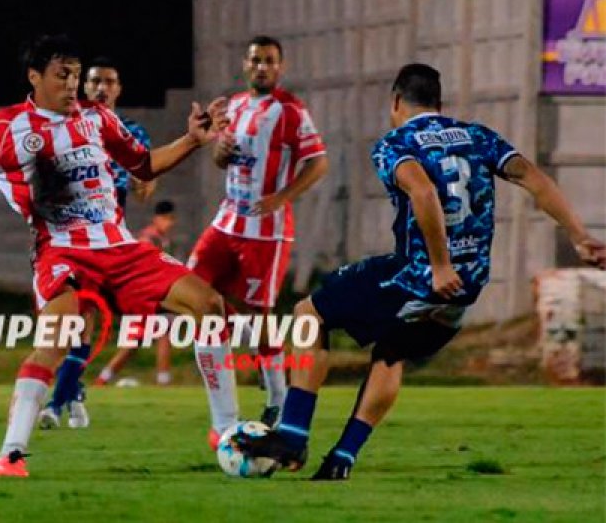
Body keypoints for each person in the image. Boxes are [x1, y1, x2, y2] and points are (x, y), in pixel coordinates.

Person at [239, 63, 606, 480]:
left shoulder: (396, 143)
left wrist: (438, 265)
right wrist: (579, 235)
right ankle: (341, 459)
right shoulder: (477, 135)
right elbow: (535, 178)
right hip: (466, 286)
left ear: (396, 101)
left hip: (419, 275)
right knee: (391, 353)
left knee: (309, 313)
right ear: (440, 103)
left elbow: (424, 191)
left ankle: (291, 437)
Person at [0, 34, 232, 477]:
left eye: (74, 74)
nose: (72, 84)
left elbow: (143, 165)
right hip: (62, 250)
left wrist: (191, 139)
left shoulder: (97, 119)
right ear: (34, 77)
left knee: (209, 304)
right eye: (61, 75)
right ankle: (10, 455)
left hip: (120, 246)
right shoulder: (3, 129)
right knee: (58, 338)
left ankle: (226, 429)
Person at [188, 35, 329, 431]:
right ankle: (225, 402)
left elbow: (318, 163)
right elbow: (219, 158)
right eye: (256, 60)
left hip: (266, 232)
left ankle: (278, 398)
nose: (262, 67)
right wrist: (219, 151)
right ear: (245, 65)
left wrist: (283, 196)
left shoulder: (290, 111)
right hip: (226, 220)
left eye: (269, 60)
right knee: (190, 288)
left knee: (261, 316)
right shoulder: (232, 106)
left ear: (280, 67)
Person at [38, 56, 156, 430]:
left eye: (109, 81)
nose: (101, 88)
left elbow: (146, 184)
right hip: (68, 241)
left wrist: (143, 180)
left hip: (111, 242)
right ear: (84, 87)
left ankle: (60, 402)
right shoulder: (65, 127)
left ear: (118, 89)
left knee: (85, 325)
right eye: (94, 82)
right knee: (73, 326)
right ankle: (67, 397)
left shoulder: (131, 132)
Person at [94, 200, 178, 387]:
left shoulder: (165, 240)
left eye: (172, 219)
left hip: (150, 294)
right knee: (163, 331)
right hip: (144, 295)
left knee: (135, 341)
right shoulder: (148, 239)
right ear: (156, 219)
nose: (170, 223)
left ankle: (102, 380)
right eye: (166, 218)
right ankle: (164, 381)